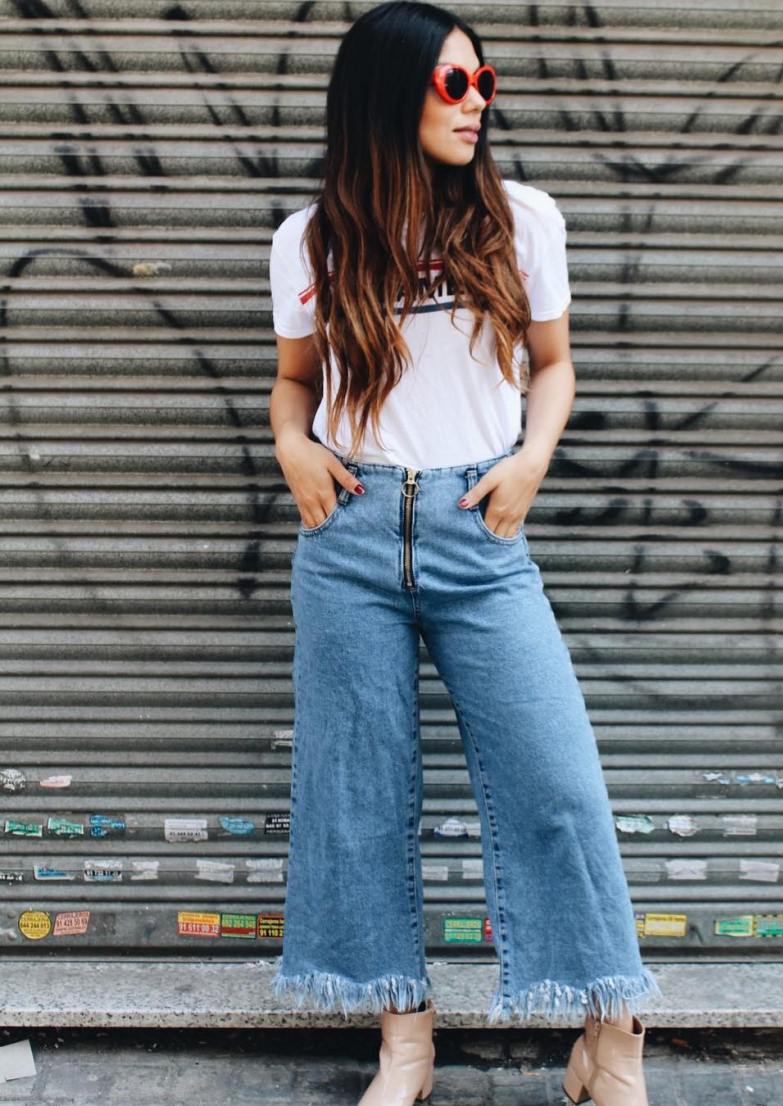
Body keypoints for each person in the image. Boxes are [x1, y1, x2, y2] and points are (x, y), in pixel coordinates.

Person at [267, 3, 662, 1104]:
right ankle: (406, 1038)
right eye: (453, 84)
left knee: (558, 779)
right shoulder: (311, 239)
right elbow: (296, 379)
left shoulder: (523, 218)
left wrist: (533, 456)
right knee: (358, 791)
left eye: (482, 79)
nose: (478, 99)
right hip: (345, 530)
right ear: (389, 95)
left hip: (478, 527)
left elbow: (556, 362)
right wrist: (292, 442)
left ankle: (612, 1037)